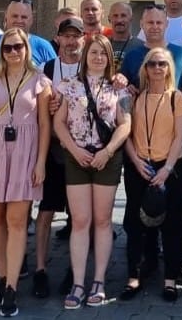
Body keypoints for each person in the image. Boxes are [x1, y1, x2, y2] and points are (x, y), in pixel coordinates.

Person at [0, 26, 54, 317]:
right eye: (8, 47)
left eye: (18, 46)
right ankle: (2, 277)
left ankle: (12, 287)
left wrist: (41, 161)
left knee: (17, 220)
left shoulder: (40, 82)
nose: (13, 52)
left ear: (26, 49)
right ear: (1, 51)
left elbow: (45, 125)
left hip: (25, 153)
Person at [54, 34, 130, 307]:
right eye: (94, 52)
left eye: (103, 53)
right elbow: (59, 122)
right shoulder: (70, 86)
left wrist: (107, 151)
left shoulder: (117, 88)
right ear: (86, 55)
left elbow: (125, 123)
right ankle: (77, 281)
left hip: (105, 159)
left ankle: (98, 279)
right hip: (77, 158)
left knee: (102, 221)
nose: (98, 57)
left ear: (109, 58)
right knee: (80, 220)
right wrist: (73, 150)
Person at [122, 48, 182, 303]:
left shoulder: (177, 98)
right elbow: (125, 133)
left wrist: (167, 169)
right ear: (145, 68)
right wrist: (136, 161)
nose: (157, 68)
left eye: (162, 63)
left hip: (168, 167)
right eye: (152, 64)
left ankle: (170, 278)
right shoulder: (134, 97)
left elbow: (179, 137)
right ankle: (135, 274)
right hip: (139, 165)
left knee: (172, 224)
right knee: (135, 223)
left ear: (169, 68)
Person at [35, 12, 85, 294]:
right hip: (53, 149)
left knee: (79, 216)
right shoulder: (47, 68)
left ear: (83, 39)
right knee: (45, 211)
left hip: (80, 150)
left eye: (76, 36)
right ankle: (40, 268)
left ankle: (73, 270)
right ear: (58, 38)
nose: (71, 41)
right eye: (66, 36)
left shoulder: (91, 65)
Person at [120, 6, 182, 91]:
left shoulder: (181, 54)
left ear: (166, 24)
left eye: (159, 23)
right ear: (141, 24)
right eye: (150, 22)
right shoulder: (131, 56)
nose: (155, 26)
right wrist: (126, 89)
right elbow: (122, 89)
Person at [0, 0, 57, 73]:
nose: (19, 20)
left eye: (24, 17)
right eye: (15, 16)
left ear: (31, 20)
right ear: (6, 17)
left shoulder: (43, 47)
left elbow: (56, 75)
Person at [106, 0, 136, 68]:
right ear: (109, 18)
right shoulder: (102, 45)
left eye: (123, 16)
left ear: (131, 18)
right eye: (115, 16)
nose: (119, 20)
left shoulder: (140, 46)